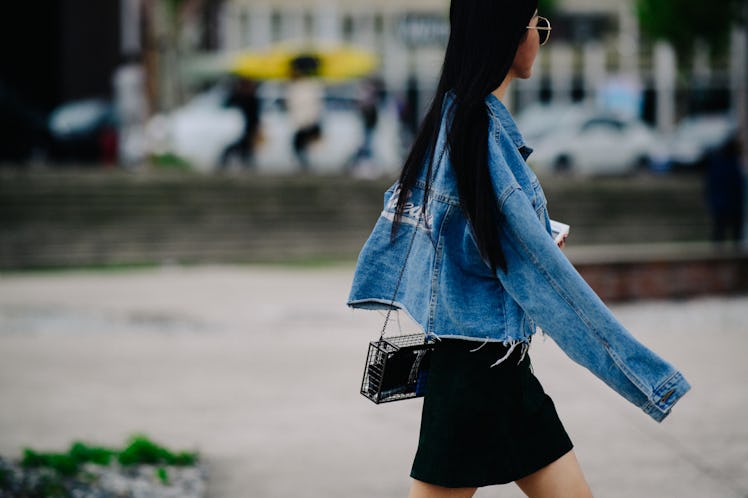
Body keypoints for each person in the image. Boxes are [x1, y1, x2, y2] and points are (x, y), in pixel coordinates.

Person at [347, 2, 692, 497]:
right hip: (478, 375)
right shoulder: (481, 137)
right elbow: (552, 285)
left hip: (486, 366)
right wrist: (646, 377)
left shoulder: (451, 121)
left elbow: (435, 230)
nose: (540, 37)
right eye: (538, 26)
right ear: (509, 36)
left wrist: (532, 231)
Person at [705, 134, 744, 244]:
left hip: (720, 203)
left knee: (719, 233)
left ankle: (718, 255)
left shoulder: (718, 164)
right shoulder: (733, 166)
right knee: (733, 233)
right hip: (731, 204)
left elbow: (710, 186)